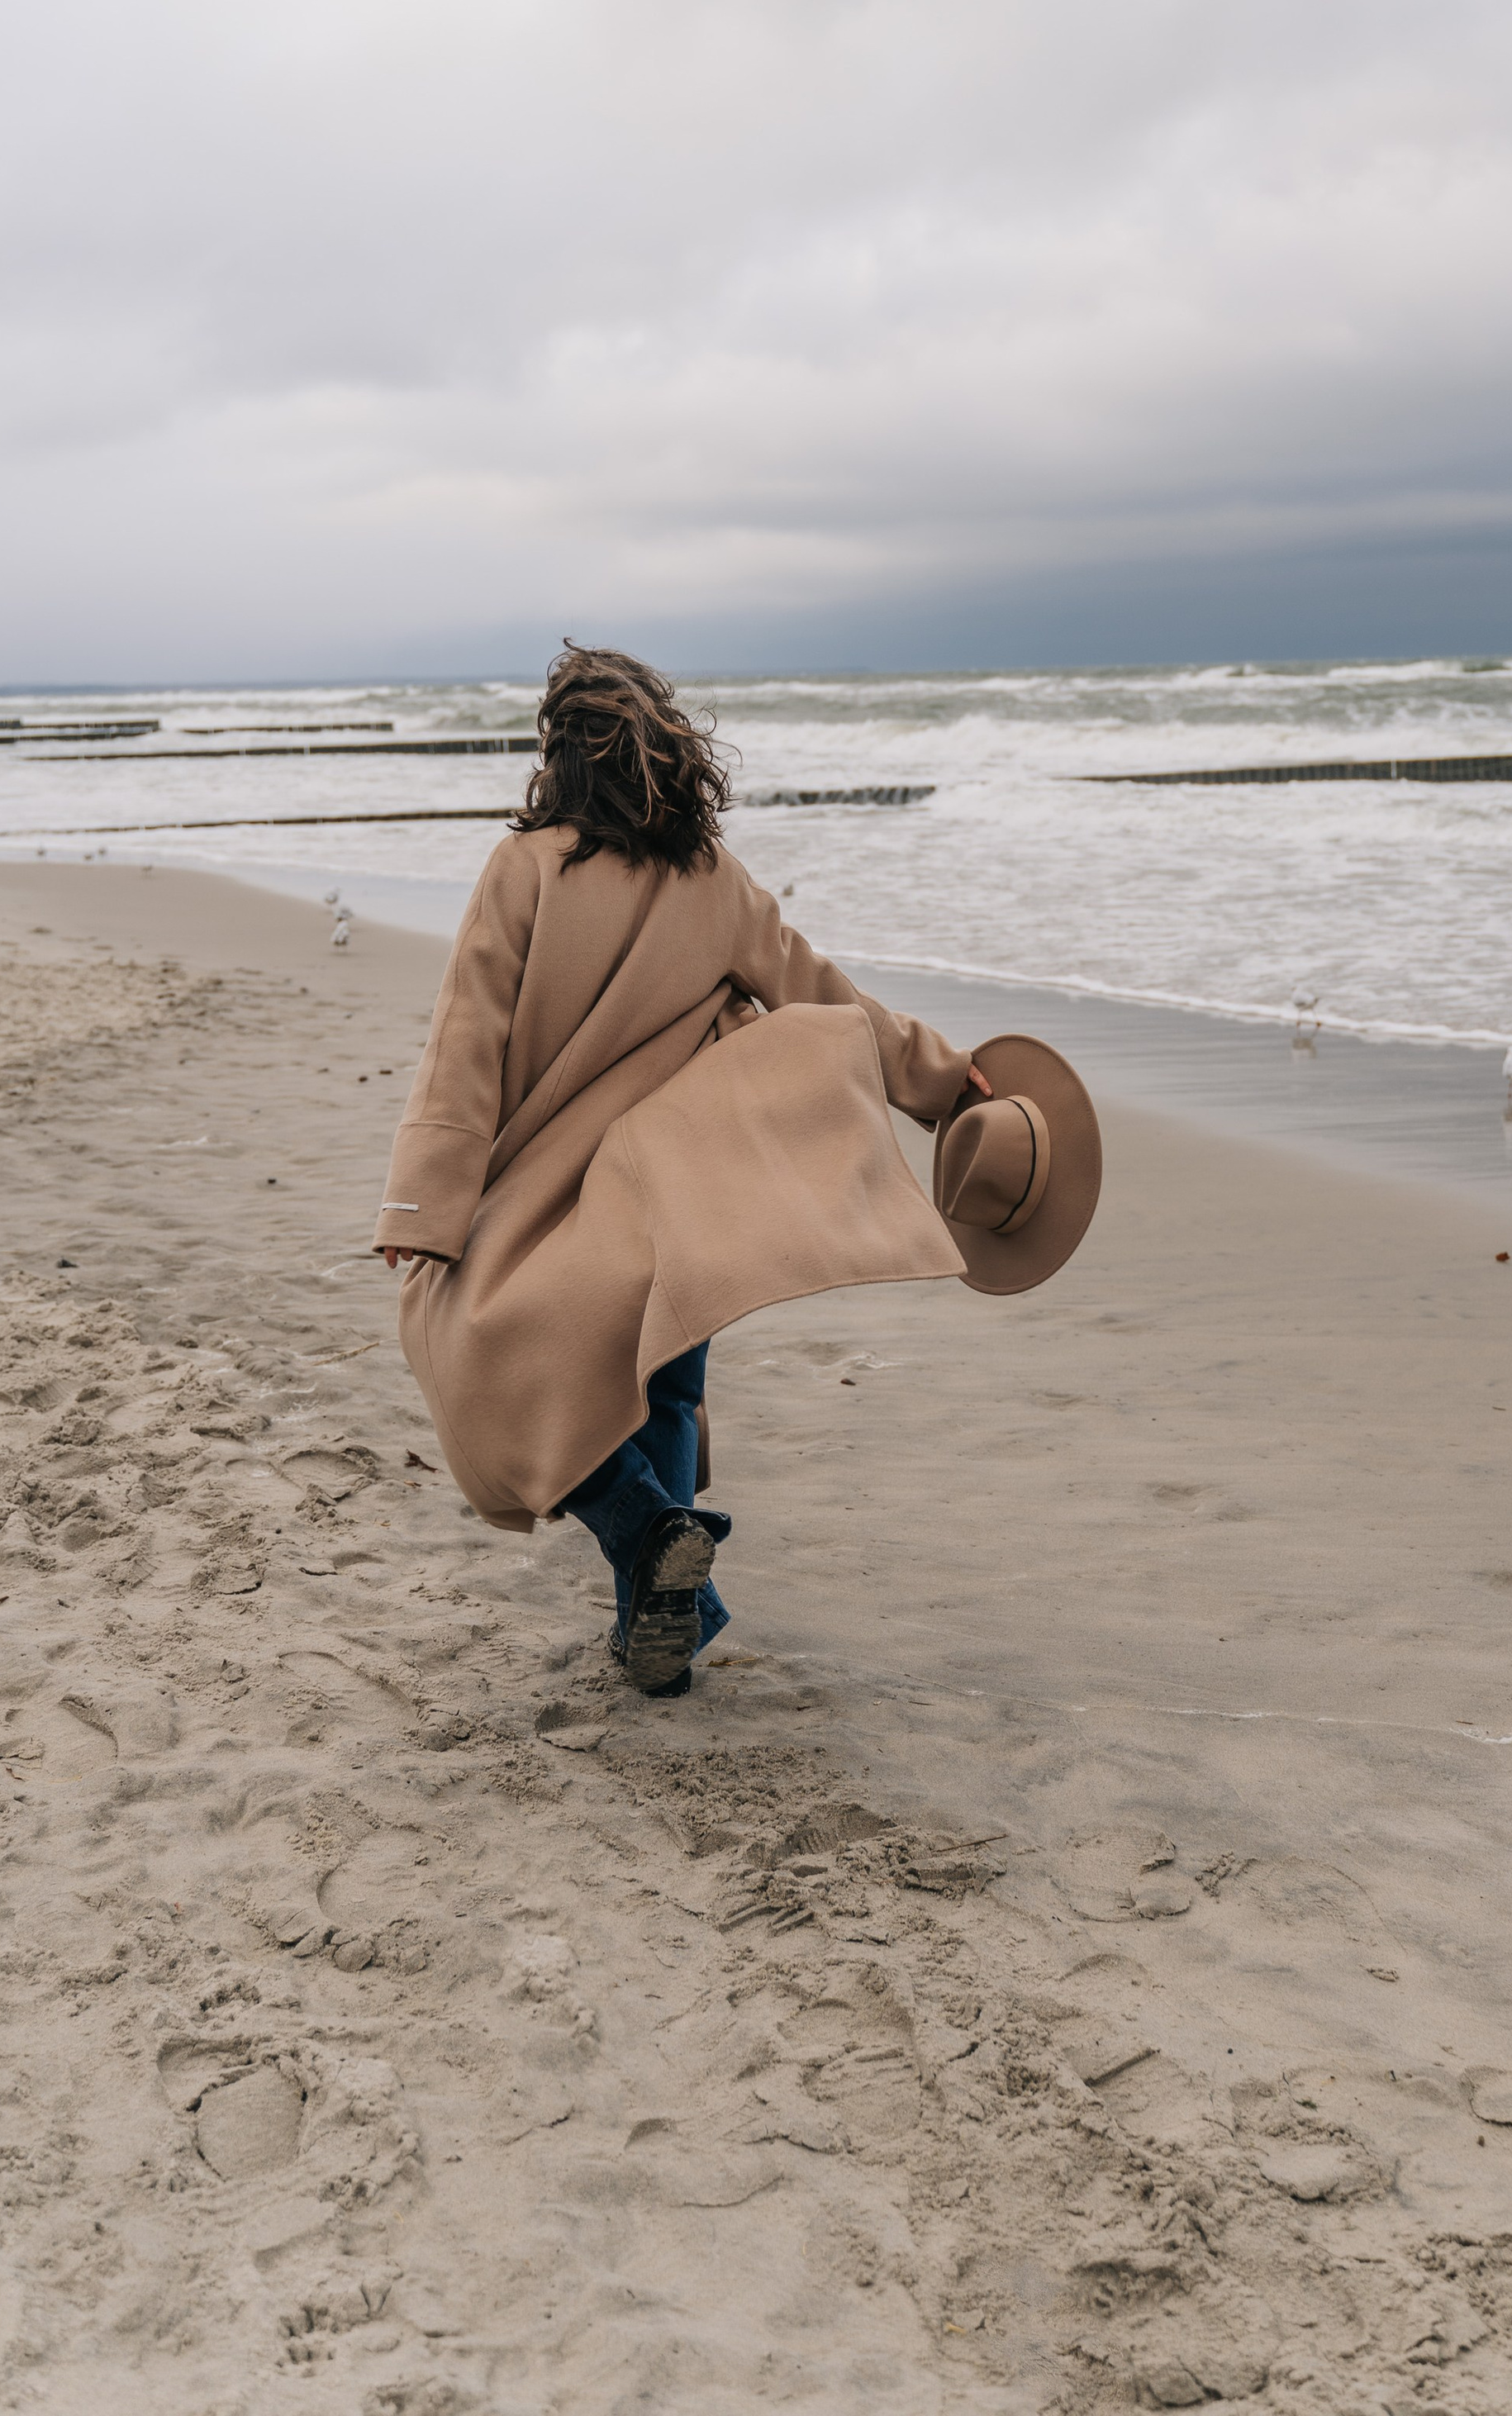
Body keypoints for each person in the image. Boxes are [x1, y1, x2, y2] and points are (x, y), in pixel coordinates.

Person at [376, 643, 1097, 1695]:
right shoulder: (708, 876)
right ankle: (659, 1632)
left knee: (464, 1349)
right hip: (689, 1186)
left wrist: (422, 1208)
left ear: (557, 755)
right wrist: (943, 1081)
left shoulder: (523, 867)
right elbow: (828, 997)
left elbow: (466, 1041)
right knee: (662, 1389)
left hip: (556, 1181)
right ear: (667, 746)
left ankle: (648, 1539)